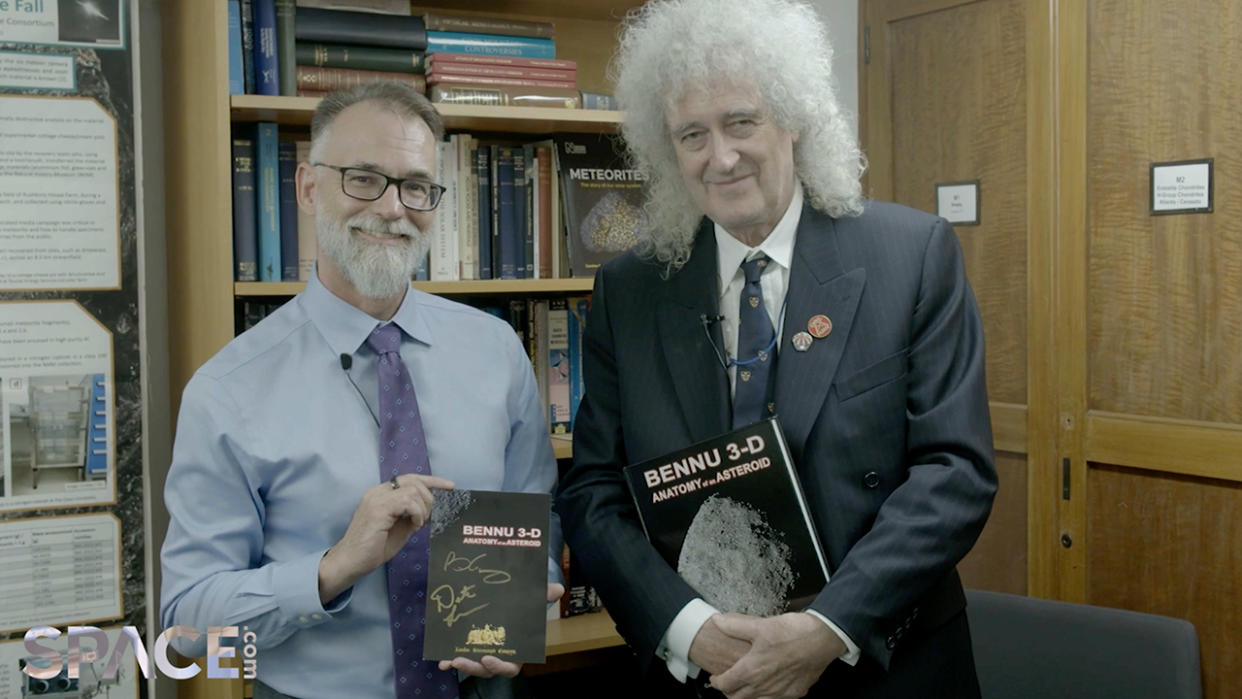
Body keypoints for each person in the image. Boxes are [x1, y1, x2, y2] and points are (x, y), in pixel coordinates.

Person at [555, 1, 997, 697]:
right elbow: (593, 491)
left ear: (792, 118)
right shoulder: (628, 291)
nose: (720, 156)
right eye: (691, 133)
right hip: (709, 674)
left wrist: (827, 627)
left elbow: (956, 471)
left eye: (740, 122)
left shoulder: (912, 256)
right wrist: (688, 624)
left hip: (884, 664)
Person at [160, 82, 562, 699]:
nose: (394, 208)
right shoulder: (227, 390)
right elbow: (186, 627)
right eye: (364, 179)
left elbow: (536, 513)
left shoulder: (498, 350)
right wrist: (334, 567)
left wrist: (522, 601)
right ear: (308, 189)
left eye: (416, 185)